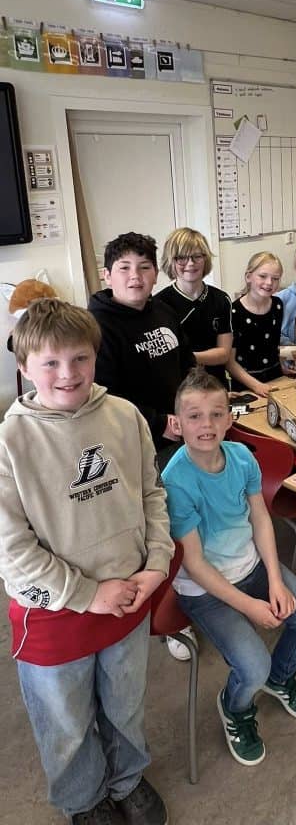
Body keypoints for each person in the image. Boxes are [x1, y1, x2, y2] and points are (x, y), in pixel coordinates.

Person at [0, 298, 173, 825]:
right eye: (50, 362)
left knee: (125, 703)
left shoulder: (124, 416)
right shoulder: (10, 441)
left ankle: (127, 778)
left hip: (128, 595)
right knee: (66, 722)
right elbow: (12, 551)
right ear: (24, 366)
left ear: (96, 357)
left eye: (80, 358)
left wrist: (157, 562)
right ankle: (84, 799)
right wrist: (87, 594)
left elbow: (151, 494)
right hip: (55, 611)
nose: (67, 373)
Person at [162, 368, 296, 767]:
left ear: (229, 418)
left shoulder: (240, 457)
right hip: (204, 589)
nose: (207, 425)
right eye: (195, 416)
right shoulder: (175, 481)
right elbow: (194, 563)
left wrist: (275, 579)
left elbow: (260, 519)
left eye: (216, 414)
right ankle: (235, 707)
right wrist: (250, 606)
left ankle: (281, 678)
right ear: (177, 423)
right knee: (252, 667)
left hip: (250, 567)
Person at [88, 231, 195, 456]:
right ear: (107, 275)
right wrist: (159, 423)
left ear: (155, 275)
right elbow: (104, 395)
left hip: (181, 427)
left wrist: (195, 404)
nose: (135, 276)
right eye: (124, 268)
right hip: (134, 439)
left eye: (144, 267)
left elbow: (187, 364)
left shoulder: (164, 311)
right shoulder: (95, 327)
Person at [156, 227, 233, 385]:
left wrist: (186, 358)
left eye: (197, 256)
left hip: (215, 385)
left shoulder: (221, 299)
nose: (190, 263)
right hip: (179, 387)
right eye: (181, 258)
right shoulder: (159, 304)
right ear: (171, 261)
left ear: (205, 259)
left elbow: (224, 354)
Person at [228, 252, 285, 398]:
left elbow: (272, 345)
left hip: (275, 379)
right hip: (246, 385)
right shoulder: (233, 312)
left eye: (275, 278)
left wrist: (282, 366)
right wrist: (256, 386)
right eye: (263, 276)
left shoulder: (278, 305)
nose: (269, 282)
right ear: (249, 277)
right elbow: (229, 362)